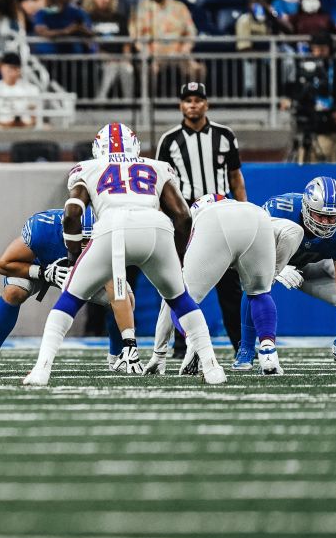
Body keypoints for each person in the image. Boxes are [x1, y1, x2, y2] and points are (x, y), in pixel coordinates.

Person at [22, 123, 227, 387]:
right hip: (155, 228)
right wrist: (178, 257)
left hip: (112, 228)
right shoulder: (155, 166)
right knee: (181, 299)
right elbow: (182, 215)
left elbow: (72, 212)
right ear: (136, 146)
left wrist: (74, 257)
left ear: (98, 148)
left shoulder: (89, 168)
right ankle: (212, 367)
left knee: (69, 300)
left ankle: (42, 369)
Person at [146, 194, 300, 376]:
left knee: (182, 297)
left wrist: (159, 352)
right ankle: (268, 352)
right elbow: (294, 231)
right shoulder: (249, 210)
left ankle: (194, 342)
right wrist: (276, 269)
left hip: (214, 223)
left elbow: (171, 300)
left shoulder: (200, 217)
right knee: (260, 293)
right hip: (257, 217)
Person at [0, 205, 137, 375]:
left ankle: (118, 357)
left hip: (87, 271)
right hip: (41, 267)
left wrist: (130, 343)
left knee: (125, 298)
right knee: (14, 292)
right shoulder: (43, 228)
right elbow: (4, 264)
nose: (85, 246)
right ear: (66, 231)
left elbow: (116, 292)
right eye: (81, 239)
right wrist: (43, 273)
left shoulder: (106, 238)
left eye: (90, 240)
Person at [154, 81, 249, 356]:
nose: (193, 104)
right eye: (188, 100)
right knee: (182, 281)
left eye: (198, 99)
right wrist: (163, 220)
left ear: (206, 103)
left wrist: (243, 208)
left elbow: (235, 177)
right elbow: (161, 185)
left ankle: (241, 345)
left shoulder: (225, 135)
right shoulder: (169, 140)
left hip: (221, 216)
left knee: (229, 286)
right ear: (181, 105)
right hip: (186, 220)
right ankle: (182, 345)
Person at [255, 177, 336, 373]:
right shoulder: (281, 208)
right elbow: (253, 249)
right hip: (279, 260)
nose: (326, 223)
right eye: (320, 216)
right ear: (306, 207)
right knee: (256, 283)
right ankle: (244, 348)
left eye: (333, 217)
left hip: (315, 268)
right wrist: (275, 267)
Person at [278, 32, 336, 162]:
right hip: (309, 128)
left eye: (322, 49)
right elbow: (293, 92)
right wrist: (289, 100)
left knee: (331, 172)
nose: (318, 53)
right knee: (306, 169)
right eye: (315, 49)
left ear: (330, 49)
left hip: (334, 127)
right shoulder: (305, 69)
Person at [130, 0, 204, 88]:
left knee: (198, 70)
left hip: (178, 53)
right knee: (148, 69)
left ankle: (192, 103)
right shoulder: (141, 9)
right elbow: (136, 36)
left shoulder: (180, 7)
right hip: (153, 55)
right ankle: (150, 105)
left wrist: (185, 48)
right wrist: (148, 53)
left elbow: (191, 32)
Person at [0, 52, 41, 129]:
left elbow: (35, 114)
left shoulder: (31, 89)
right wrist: (6, 124)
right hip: (1, 126)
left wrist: (26, 124)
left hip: (26, 126)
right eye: (9, 69)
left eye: (15, 68)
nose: (11, 72)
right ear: (1, 68)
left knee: (44, 127)